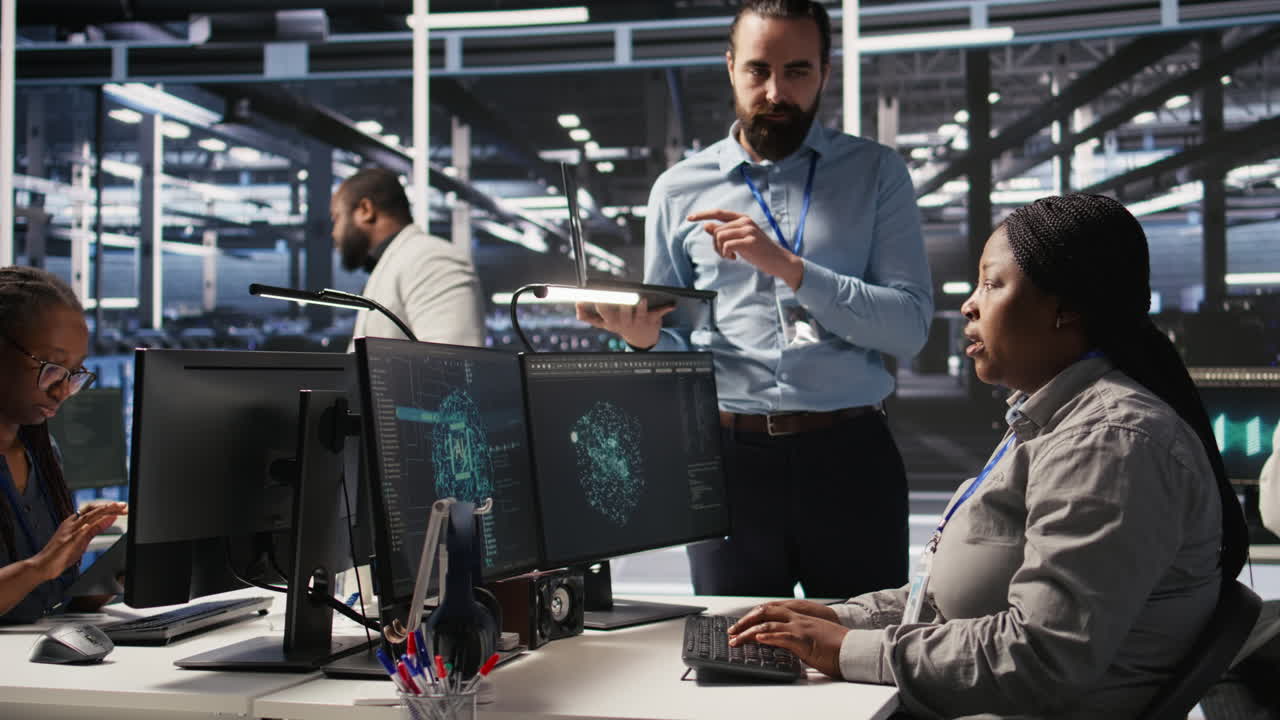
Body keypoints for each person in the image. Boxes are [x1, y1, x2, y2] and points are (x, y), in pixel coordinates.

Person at [728, 193, 1249, 718]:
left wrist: (843, 650)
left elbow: (1041, 655)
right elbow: (941, 602)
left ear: (1066, 307)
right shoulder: (1051, 419)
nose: (968, 305)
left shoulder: (1109, 443)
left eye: (992, 284)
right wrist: (839, 619)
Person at [577, 0, 932, 599]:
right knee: (732, 662)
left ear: (824, 71)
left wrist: (791, 269)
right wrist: (640, 338)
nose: (775, 90)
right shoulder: (679, 190)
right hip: (727, 463)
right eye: (758, 70)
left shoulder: (876, 174)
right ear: (730, 68)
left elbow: (910, 327)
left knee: (861, 665)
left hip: (849, 457)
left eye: (797, 71)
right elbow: (674, 343)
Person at [0, 266, 127, 623]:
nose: (62, 390)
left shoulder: (42, 454)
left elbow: (41, 608)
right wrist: (41, 566)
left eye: (74, 374)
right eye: (52, 367)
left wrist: (110, 576)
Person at [331, 167, 486, 350]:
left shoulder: (430, 259)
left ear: (366, 210)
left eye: (337, 219)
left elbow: (454, 365)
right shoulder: (396, 263)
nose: (334, 233)